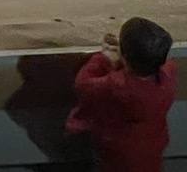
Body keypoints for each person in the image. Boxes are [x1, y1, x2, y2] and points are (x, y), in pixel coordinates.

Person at [65, 16, 176, 169]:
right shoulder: (169, 75)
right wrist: (130, 52)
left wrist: (104, 58)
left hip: (116, 155)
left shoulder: (116, 86)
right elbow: (159, 63)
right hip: (151, 149)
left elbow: (83, 84)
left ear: (124, 56)